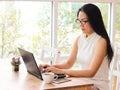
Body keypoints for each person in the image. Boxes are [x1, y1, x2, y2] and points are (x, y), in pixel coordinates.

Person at [39, 3, 113, 90]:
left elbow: (91, 73)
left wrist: (60, 71)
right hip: (83, 82)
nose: (81, 24)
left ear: (94, 20)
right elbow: (68, 63)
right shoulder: (79, 39)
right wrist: (50, 67)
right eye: (79, 20)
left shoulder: (101, 41)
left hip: (97, 85)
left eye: (84, 21)